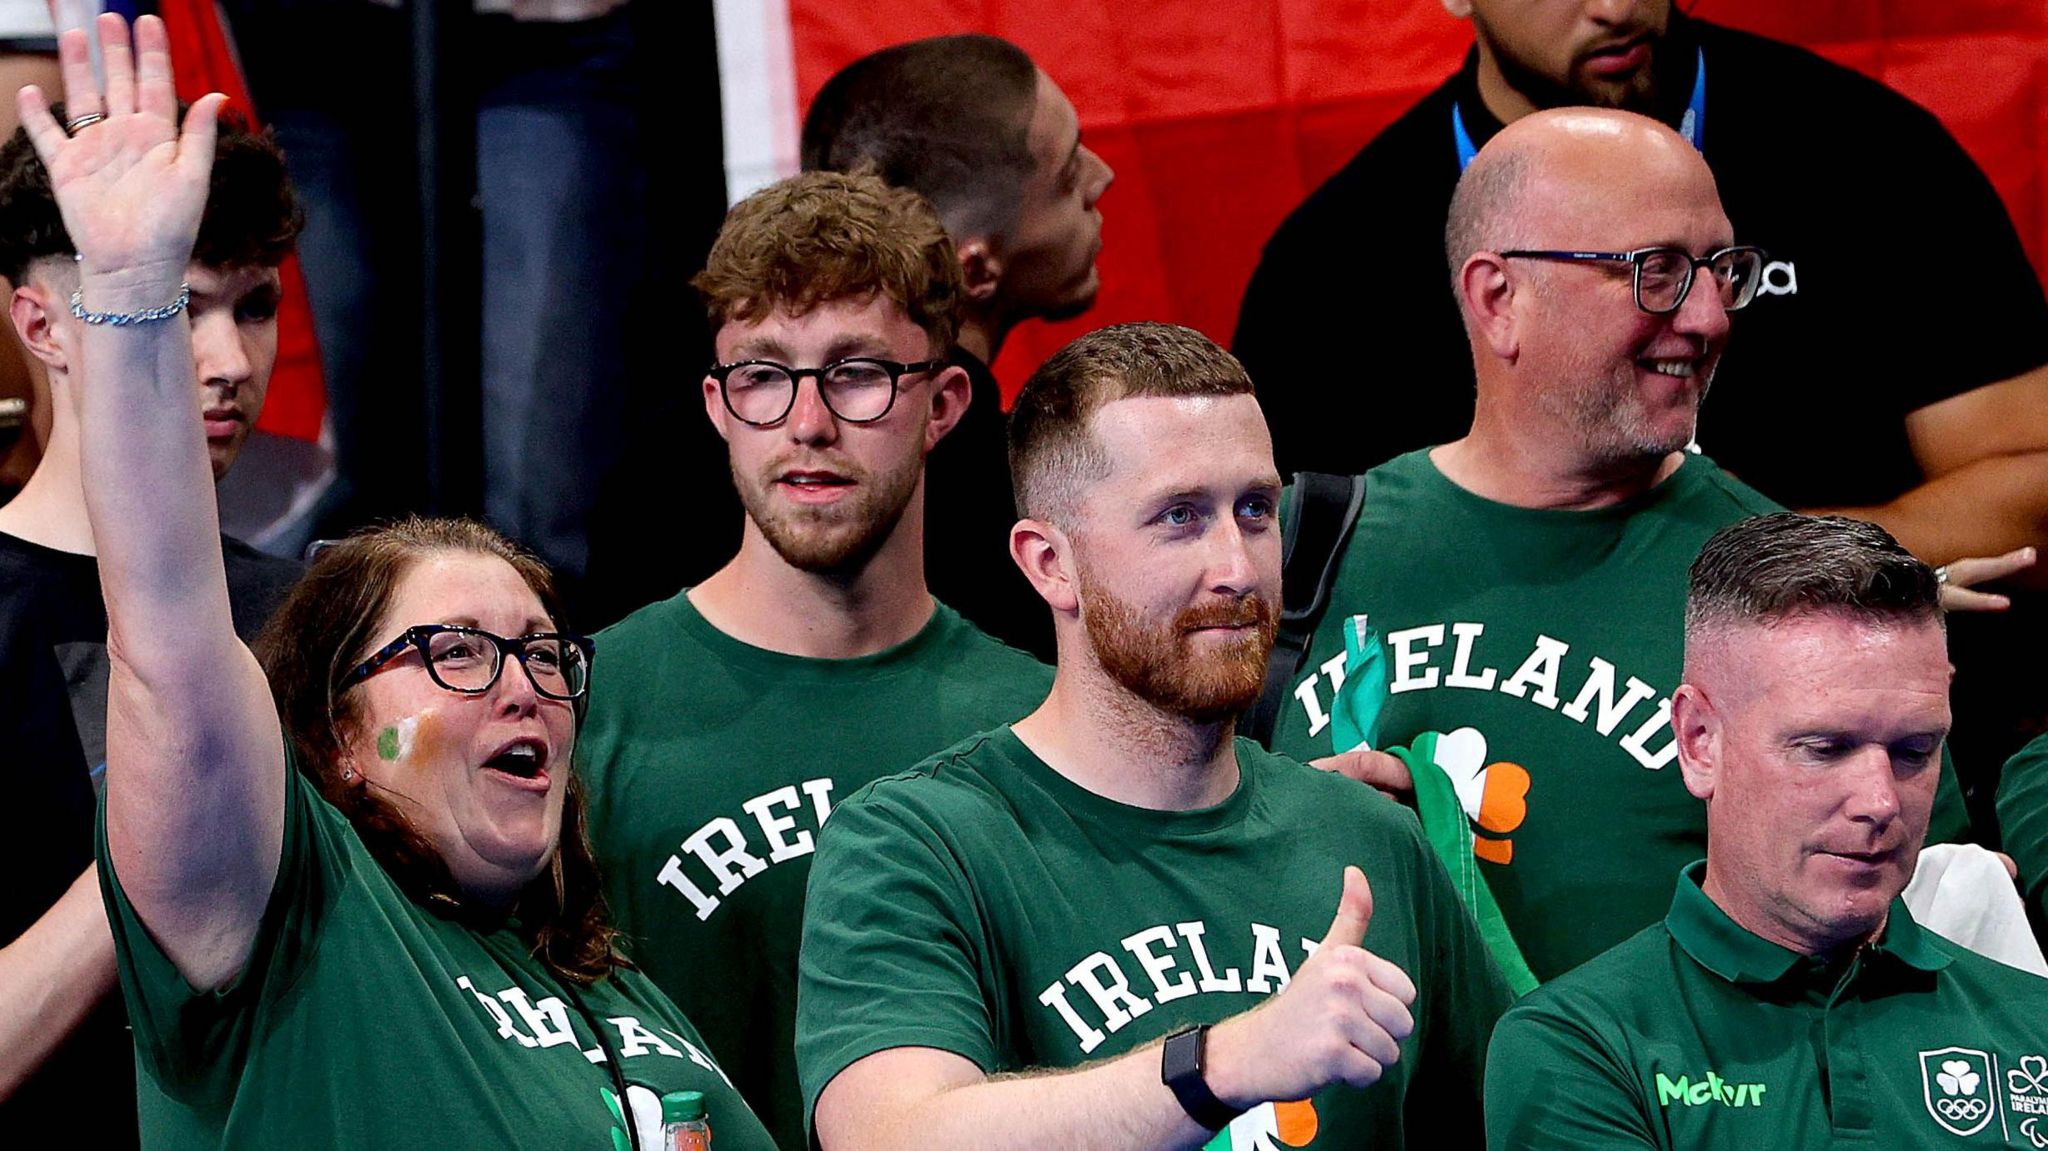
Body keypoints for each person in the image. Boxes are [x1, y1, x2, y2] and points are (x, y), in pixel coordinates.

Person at [25, 16, 777, 1149]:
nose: (520, 684)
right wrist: (129, 300)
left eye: (541, 652)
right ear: (327, 733)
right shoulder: (292, 917)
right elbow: (171, 631)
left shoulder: (619, 991)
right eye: (457, 651)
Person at [1263, 108, 1970, 984]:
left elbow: (1924, 950)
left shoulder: (1799, 590)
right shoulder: (1293, 541)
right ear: (1498, 299)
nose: (1709, 317)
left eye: (1722, 271)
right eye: (1658, 273)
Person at [798, 322, 1509, 1151]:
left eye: (1255, 510)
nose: (1237, 568)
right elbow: (890, 1137)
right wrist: (1223, 1062)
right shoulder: (916, 845)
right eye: (1179, 516)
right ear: (1048, 563)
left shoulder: (1368, 840)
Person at [1234, 0, 2048, 576]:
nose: (1617, 6)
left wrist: (1767, 568)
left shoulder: (1868, 156)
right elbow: (1287, 576)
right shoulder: (1330, 267)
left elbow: (2029, 483)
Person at [578, 167, 1053, 1151]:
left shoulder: (1043, 723)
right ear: (716, 404)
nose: (806, 423)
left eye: (855, 371)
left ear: (945, 401)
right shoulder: (581, 710)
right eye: (762, 373)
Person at [1486, 512, 2048, 1149]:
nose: (1880, 801)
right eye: (1825, 748)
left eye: (1915, 750)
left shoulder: (2036, 1026)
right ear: (1700, 742)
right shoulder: (1583, 1047)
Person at [0, 53, 301, 1142]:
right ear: (43, 325)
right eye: (178, 305)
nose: (227, 358)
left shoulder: (322, 612)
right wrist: (168, 827)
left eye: (254, 304)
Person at [801, 34, 1115, 658]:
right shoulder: (1017, 516)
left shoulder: (676, 466)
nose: (1103, 179)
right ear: (975, 272)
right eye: (1067, 171)